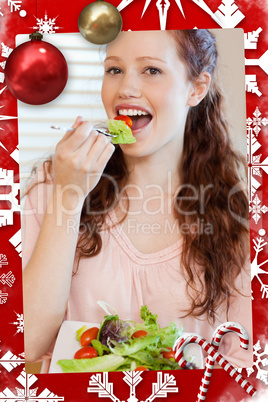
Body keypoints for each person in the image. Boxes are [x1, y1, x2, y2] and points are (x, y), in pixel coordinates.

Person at [22, 29, 252, 371]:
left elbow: (246, 368)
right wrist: (68, 197)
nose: (125, 89)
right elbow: (24, 346)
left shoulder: (237, 217)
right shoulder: (51, 186)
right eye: (114, 70)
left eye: (151, 70)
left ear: (196, 88)